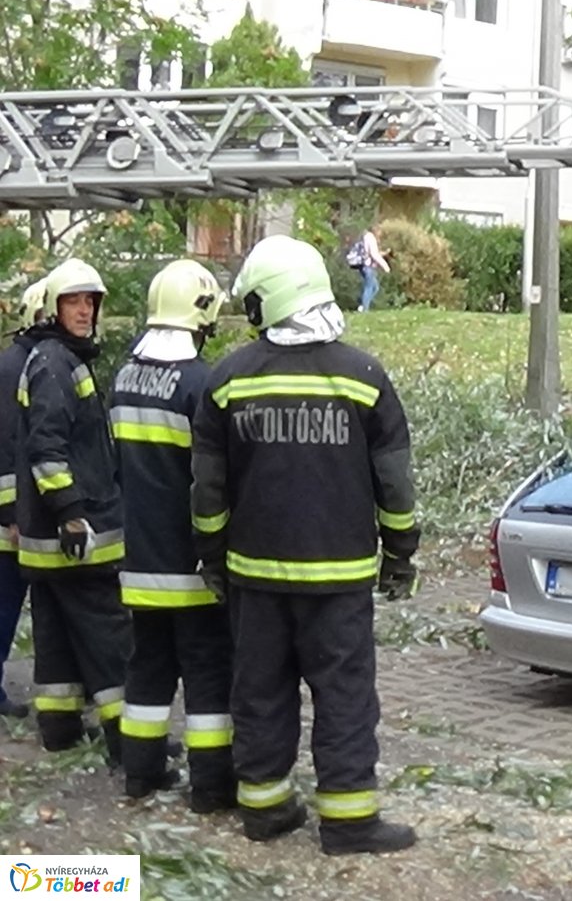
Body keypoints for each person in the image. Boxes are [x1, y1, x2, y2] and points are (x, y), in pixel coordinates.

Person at [192, 235, 421, 854]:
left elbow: (208, 492)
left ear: (271, 299)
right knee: (344, 695)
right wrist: (401, 554)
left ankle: (264, 809)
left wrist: (212, 559)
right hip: (338, 579)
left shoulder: (227, 379)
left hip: (254, 578)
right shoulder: (365, 378)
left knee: (259, 690)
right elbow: (394, 484)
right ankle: (349, 821)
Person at [112, 259, 235, 808]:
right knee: (207, 673)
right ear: (201, 312)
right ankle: (210, 786)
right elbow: (212, 480)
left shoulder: (121, 376)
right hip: (189, 565)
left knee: (148, 668)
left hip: (135, 560)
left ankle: (140, 772)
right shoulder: (200, 384)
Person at [14, 259, 130, 760]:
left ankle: (60, 730)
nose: (84, 311)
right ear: (53, 308)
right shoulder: (58, 364)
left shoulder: (52, 358)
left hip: (46, 542)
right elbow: (47, 449)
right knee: (109, 635)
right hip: (74, 537)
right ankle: (133, 743)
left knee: (56, 635)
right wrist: (72, 514)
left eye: (90, 302)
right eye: (73, 302)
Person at [0, 277, 48, 720]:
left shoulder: (20, 361)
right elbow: (9, 445)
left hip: (21, 513)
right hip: (12, 519)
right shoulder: (19, 367)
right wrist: (13, 514)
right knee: (5, 600)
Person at [344, 225, 389, 312]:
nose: (380, 234)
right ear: (376, 231)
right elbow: (374, 254)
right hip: (368, 266)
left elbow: (370, 252)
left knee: (375, 287)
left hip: (365, 265)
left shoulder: (365, 237)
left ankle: (363, 306)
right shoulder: (370, 238)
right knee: (369, 287)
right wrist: (385, 266)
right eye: (380, 232)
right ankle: (365, 309)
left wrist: (384, 253)